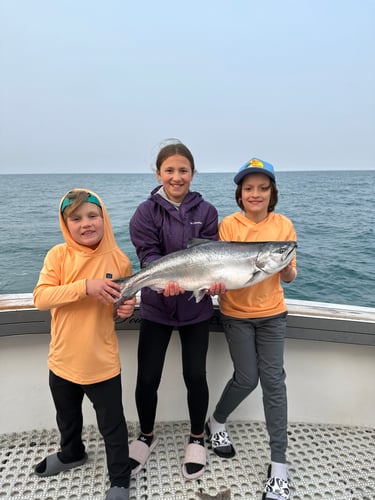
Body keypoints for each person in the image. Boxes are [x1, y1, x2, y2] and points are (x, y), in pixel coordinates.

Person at [128, 140, 223, 480]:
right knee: (147, 377)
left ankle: (197, 437)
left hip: (196, 309)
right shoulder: (145, 212)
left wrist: (216, 281)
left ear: (193, 174)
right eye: (170, 170)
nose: (177, 176)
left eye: (183, 170)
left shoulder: (207, 212)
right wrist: (161, 279)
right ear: (159, 173)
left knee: (195, 376)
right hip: (157, 307)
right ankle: (146, 436)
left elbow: (213, 255)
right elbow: (147, 255)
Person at [33, 189, 136, 500]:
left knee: (112, 426)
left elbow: (120, 309)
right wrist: (84, 287)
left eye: (93, 215)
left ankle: (119, 479)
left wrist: (125, 311)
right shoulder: (58, 256)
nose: (86, 224)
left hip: (101, 361)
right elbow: (41, 298)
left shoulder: (119, 260)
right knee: (67, 416)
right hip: (62, 359)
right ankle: (71, 453)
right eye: (75, 218)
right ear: (66, 224)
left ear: (103, 217)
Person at [206, 158, 297, 500]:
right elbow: (224, 270)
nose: (255, 194)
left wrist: (285, 266)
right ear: (240, 193)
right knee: (247, 378)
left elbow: (290, 274)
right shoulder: (229, 225)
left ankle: (279, 466)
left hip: (273, 314)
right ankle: (216, 421)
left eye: (262, 188)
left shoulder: (284, 226)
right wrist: (215, 285)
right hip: (236, 314)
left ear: (272, 192)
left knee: (274, 382)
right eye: (248, 188)